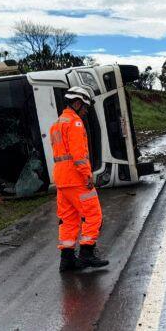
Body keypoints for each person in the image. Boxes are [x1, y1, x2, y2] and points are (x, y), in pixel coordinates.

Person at [50, 86, 109, 271]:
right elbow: (78, 155)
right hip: (76, 179)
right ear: (76, 103)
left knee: (69, 219)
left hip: (61, 179)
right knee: (94, 215)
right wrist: (87, 175)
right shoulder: (74, 123)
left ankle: (67, 260)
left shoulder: (57, 123)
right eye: (84, 107)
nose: (85, 111)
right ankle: (86, 254)